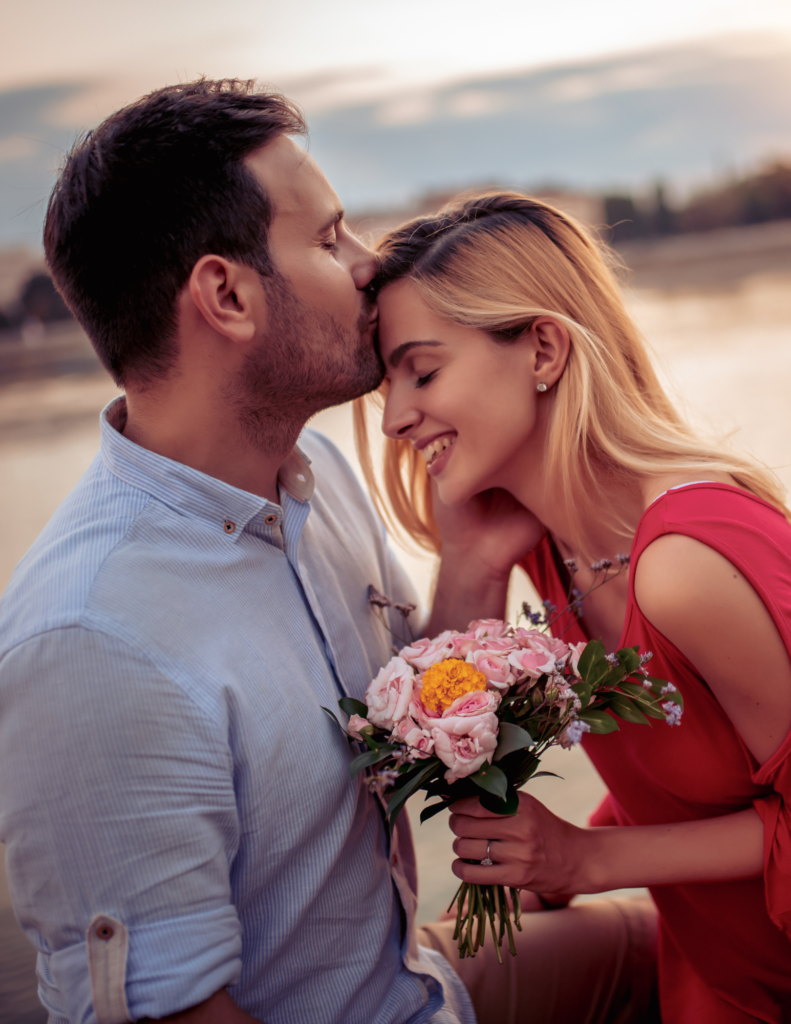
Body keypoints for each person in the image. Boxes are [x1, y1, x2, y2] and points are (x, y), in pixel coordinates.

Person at [0, 84, 656, 1024]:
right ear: (226, 295)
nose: (369, 264)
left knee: (678, 950)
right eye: (330, 238)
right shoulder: (92, 642)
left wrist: (469, 561)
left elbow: (390, 747)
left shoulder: (311, 474)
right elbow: (168, 1015)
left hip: (415, 978)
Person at [364, 190, 791, 1023]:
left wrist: (586, 860)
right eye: (386, 384)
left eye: (422, 371)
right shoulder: (553, 555)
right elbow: (439, 738)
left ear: (543, 350)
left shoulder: (684, 564)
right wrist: (474, 558)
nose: (394, 419)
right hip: (711, 968)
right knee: (420, 970)